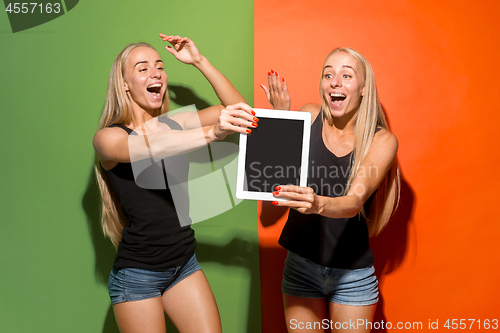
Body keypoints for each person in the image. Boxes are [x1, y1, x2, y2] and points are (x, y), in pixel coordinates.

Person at [93, 34, 256, 333]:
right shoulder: (107, 138)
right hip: (137, 275)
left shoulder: (174, 123)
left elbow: (240, 110)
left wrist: (199, 61)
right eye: (142, 68)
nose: (155, 72)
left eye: (159, 66)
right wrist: (213, 133)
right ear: (124, 84)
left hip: (183, 263)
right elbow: (151, 146)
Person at [260, 48, 400, 332]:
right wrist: (282, 119)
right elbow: (271, 201)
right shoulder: (309, 117)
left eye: (346, 75)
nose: (335, 81)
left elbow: (354, 201)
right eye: (328, 74)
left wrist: (316, 204)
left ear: (363, 89)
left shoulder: (381, 140)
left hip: (353, 275)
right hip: (300, 267)